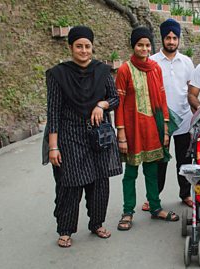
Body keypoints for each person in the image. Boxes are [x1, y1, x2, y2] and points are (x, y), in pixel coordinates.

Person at [45, 26, 122, 247]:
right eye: (79, 46)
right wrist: (53, 147)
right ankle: (66, 229)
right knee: (70, 183)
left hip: (98, 136)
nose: (84, 50)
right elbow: (53, 111)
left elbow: (114, 98)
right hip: (70, 136)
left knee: (99, 181)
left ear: (92, 47)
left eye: (87, 46)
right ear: (71, 48)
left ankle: (97, 223)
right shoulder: (58, 75)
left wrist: (102, 104)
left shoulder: (102, 71)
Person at [115, 27, 179, 231]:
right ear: (133, 46)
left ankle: (155, 207)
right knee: (131, 173)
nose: (144, 48)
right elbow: (120, 103)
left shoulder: (155, 68)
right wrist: (121, 134)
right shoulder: (125, 69)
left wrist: (166, 129)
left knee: (152, 171)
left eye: (147, 45)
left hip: (153, 128)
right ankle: (128, 211)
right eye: (140, 45)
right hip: (133, 130)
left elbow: (162, 99)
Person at [147, 19, 194, 211]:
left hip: (183, 119)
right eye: (168, 37)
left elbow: (192, 90)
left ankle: (185, 194)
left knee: (184, 160)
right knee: (159, 161)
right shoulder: (152, 62)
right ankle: (153, 197)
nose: (172, 41)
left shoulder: (187, 62)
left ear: (179, 40)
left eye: (175, 38)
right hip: (160, 121)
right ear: (162, 39)